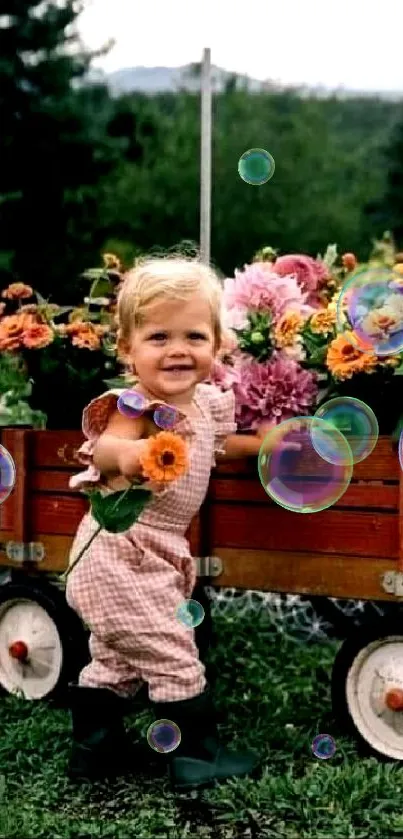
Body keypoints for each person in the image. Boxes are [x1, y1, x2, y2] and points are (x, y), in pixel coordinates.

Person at [65, 254, 274, 792]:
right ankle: (197, 756)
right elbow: (108, 446)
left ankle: (96, 747)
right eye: (158, 337)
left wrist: (268, 443)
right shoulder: (137, 405)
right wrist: (130, 457)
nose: (178, 350)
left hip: (154, 553)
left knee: (115, 658)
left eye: (194, 335)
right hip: (119, 552)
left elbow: (219, 446)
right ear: (127, 349)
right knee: (172, 649)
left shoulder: (204, 404)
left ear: (218, 342)